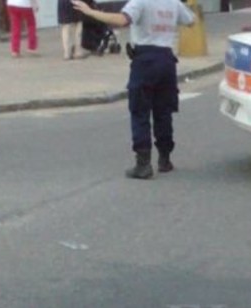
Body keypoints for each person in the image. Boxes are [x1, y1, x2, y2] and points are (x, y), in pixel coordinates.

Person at [72, 0, 196, 179]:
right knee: (163, 112)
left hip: (145, 60)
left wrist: (91, 12)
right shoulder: (173, 3)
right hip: (166, 60)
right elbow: (191, 21)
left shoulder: (140, 2)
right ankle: (165, 158)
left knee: (139, 111)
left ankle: (143, 163)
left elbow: (122, 20)